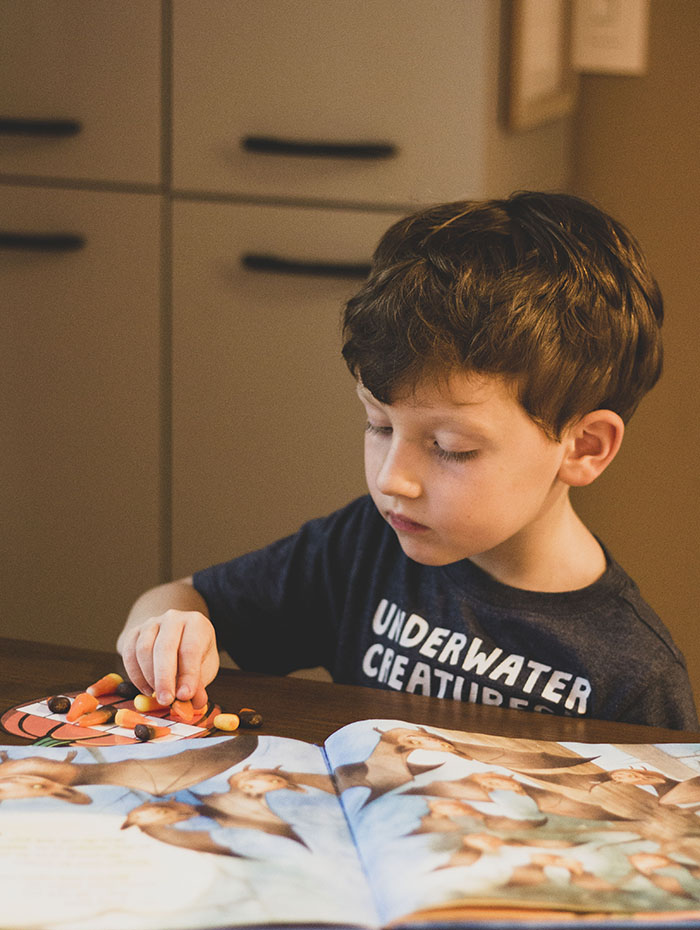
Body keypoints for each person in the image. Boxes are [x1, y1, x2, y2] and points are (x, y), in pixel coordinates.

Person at [117, 192, 698, 729]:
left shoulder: (634, 680)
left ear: (583, 447)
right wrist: (167, 633)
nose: (393, 478)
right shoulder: (363, 547)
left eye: (451, 448)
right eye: (379, 425)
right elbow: (186, 596)